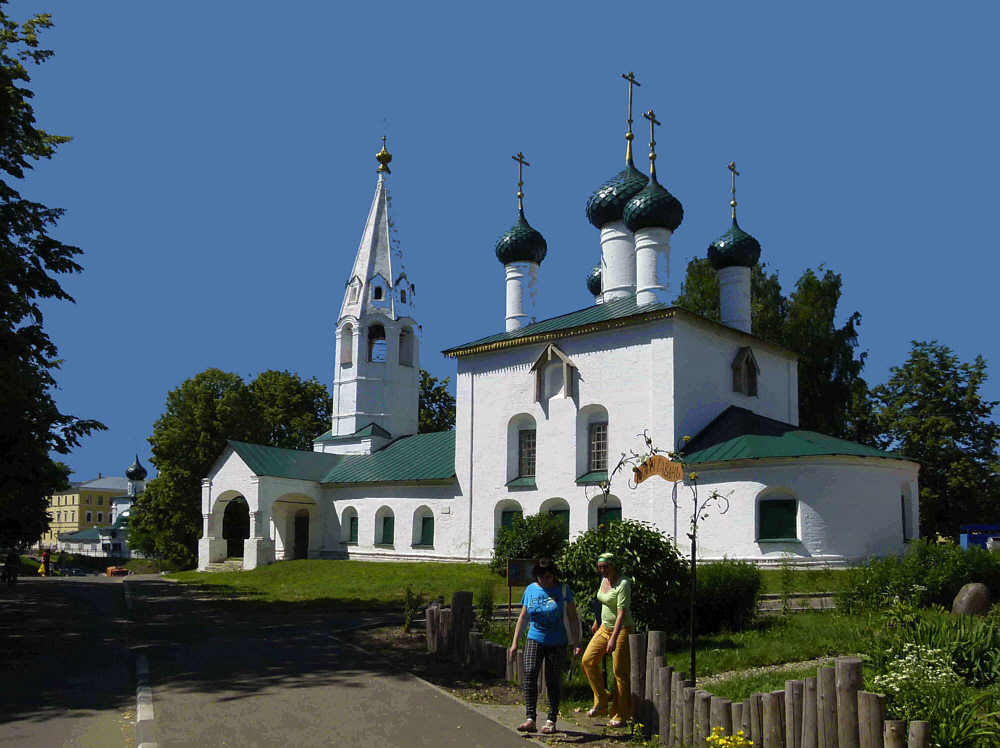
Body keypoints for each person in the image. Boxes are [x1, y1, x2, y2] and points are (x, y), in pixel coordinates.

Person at [508, 557, 581, 735]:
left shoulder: (563, 590)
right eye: (541, 577)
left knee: (552, 679)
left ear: (554, 575)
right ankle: (530, 718)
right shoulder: (531, 590)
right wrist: (515, 642)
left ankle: (551, 719)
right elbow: (523, 617)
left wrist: (576, 643)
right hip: (535, 637)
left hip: (557, 641)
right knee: (530, 673)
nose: (545, 580)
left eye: (548, 576)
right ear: (536, 576)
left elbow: (572, 617)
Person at [581, 552, 634, 728]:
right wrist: (598, 621)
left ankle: (621, 714)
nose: (603, 570)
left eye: (606, 567)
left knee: (619, 671)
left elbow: (621, 614)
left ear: (613, 566)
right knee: (587, 661)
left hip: (621, 629)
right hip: (604, 627)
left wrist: (613, 639)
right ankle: (602, 699)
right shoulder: (604, 581)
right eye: (600, 567)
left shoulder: (623, 584)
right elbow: (604, 602)